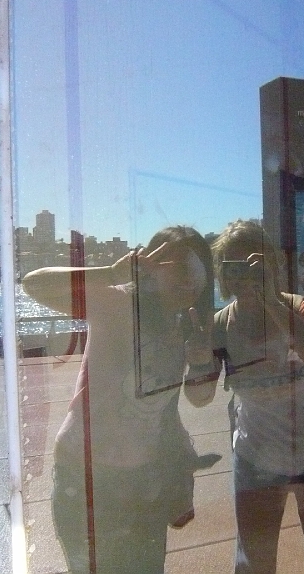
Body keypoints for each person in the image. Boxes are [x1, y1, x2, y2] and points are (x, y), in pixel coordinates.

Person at [22, 226, 217, 574]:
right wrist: (111, 273)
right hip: (87, 477)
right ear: (150, 266)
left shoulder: (186, 323)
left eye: (196, 269)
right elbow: (33, 283)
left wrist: (202, 363)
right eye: (176, 266)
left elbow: (199, 399)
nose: (188, 278)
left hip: (146, 477)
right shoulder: (117, 302)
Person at [210, 220, 304, 574]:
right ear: (222, 275)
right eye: (234, 267)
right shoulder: (219, 325)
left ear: (273, 266)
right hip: (257, 458)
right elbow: (198, 396)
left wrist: (272, 301)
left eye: (255, 265)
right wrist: (196, 355)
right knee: (253, 565)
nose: (245, 275)